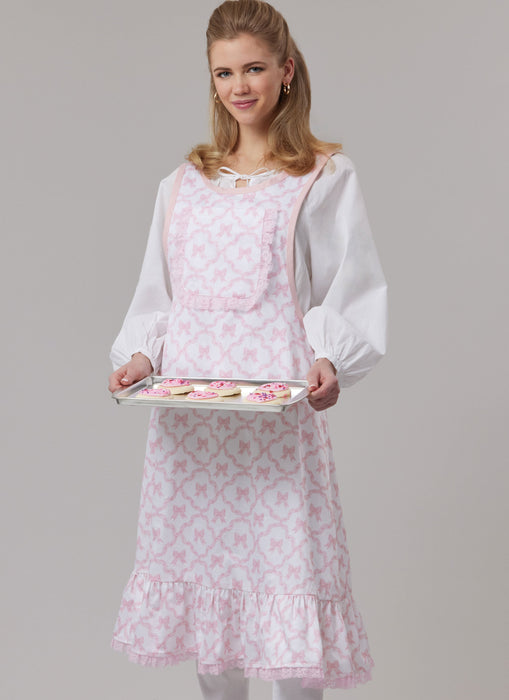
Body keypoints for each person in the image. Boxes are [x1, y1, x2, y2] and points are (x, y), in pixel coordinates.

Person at [108, 1, 387, 697]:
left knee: (288, 618)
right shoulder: (183, 185)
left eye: (254, 68)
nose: (239, 86)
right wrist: (141, 358)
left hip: (275, 426)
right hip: (193, 430)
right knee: (213, 626)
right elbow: (159, 296)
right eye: (224, 72)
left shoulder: (320, 176)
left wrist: (331, 360)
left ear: (286, 71)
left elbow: (347, 286)